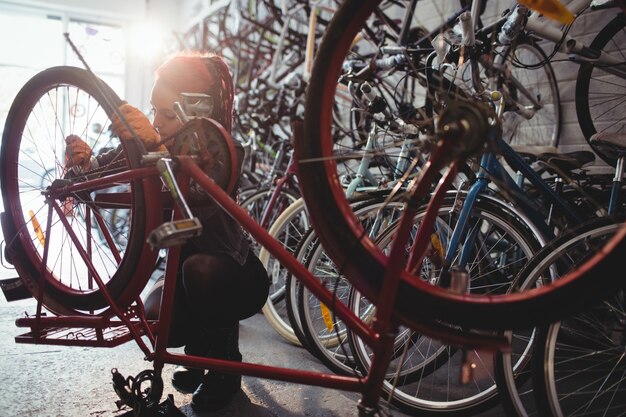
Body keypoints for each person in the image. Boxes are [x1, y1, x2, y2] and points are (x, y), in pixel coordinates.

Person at [65, 52, 270, 412]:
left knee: (201, 269)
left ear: (196, 112)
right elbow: (107, 167)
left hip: (236, 274)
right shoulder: (154, 144)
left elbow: (199, 204)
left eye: (167, 114)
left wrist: (157, 148)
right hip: (185, 278)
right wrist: (87, 163)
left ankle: (225, 369)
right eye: (153, 110)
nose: (156, 122)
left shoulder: (222, 151)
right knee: (157, 319)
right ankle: (201, 350)